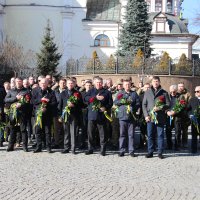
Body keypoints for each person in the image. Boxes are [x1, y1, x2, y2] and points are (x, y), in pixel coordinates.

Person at [84, 76, 113, 156]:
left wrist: (105, 107)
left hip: (101, 116)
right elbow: (85, 98)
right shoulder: (90, 91)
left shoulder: (107, 92)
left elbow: (110, 103)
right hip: (92, 115)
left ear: (102, 83)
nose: (99, 84)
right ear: (94, 83)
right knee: (90, 133)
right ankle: (90, 149)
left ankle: (103, 149)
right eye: (97, 82)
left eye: (100, 82)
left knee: (103, 134)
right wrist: (95, 97)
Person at [142, 76, 170, 159]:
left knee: (160, 135)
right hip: (150, 118)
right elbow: (144, 105)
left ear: (159, 82)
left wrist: (160, 107)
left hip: (160, 118)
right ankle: (150, 151)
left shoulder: (164, 92)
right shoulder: (147, 92)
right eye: (154, 81)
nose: (155, 83)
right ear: (151, 82)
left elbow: (168, 104)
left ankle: (160, 152)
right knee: (150, 135)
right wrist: (146, 115)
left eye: (157, 81)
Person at [114, 79, 140, 157]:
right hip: (122, 117)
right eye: (125, 84)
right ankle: (122, 150)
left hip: (131, 117)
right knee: (122, 134)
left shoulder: (134, 94)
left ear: (130, 85)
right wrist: (121, 102)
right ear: (123, 85)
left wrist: (133, 107)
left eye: (128, 84)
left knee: (131, 135)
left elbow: (138, 103)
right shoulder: (120, 93)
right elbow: (115, 102)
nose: (127, 86)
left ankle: (131, 150)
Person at [5, 77, 31, 152]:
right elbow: (6, 100)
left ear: (22, 82)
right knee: (13, 130)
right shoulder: (11, 91)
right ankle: (10, 146)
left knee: (23, 130)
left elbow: (29, 102)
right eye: (17, 81)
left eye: (20, 81)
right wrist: (15, 99)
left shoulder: (26, 91)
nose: (18, 83)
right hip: (13, 114)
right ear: (15, 82)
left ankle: (25, 146)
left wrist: (21, 105)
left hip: (22, 114)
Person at [31, 78, 57, 153]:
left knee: (47, 131)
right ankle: (39, 146)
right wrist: (40, 100)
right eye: (42, 83)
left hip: (47, 114)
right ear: (39, 83)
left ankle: (48, 147)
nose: (43, 84)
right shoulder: (35, 90)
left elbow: (54, 103)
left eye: (45, 83)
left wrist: (47, 105)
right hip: (38, 114)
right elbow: (32, 101)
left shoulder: (51, 92)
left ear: (47, 84)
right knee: (38, 131)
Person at [59, 78, 83, 154]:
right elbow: (60, 105)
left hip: (74, 115)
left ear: (74, 84)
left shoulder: (78, 93)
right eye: (69, 83)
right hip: (65, 115)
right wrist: (60, 115)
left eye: (72, 83)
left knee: (73, 132)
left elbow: (81, 105)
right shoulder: (63, 93)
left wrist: (74, 105)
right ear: (66, 84)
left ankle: (73, 148)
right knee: (66, 132)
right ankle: (66, 147)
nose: (70, 85)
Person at [166, 85, 183, 150]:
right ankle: (169, 145)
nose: (172, 93)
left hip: (177, 116)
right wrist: (167, 111)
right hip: (168, 116)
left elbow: (182, 106)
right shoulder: (167, 96)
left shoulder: (181, 96)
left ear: (176, 91)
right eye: (171, 92)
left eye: (174, 92)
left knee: (178, 131)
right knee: (168, 131)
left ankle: (177, 146)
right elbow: (164, 105)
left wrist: (174, 112)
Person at [53, 78, 67, 149]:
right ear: (58, 84)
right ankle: (57, 142)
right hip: (57, 112)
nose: (63, 84)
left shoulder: (68, 91)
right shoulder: (55, 92)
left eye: (64, 83)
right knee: (57, 129)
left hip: (66, 112)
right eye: (61, 83)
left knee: (65, 129)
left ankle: (64, 143)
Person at [177, 82, 191, 148]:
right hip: (177, 115)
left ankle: (184, 143)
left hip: (185, 115)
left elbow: (190, 104)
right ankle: (178, 143)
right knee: (178, 130)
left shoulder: (187, 94)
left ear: (184, 87)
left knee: (185, 130)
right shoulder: (176, 94)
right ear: (177, 87)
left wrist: (185, 106)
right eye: (179, 86)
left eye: (182, 86)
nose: (180, 87)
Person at [188, 86, 200, 154]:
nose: (196, 93)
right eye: (195, 91)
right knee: (194, 135)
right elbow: (188, 109)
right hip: (194, 120)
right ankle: (194, 149)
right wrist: (190, 115)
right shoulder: (192, 99)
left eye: (198, 91)